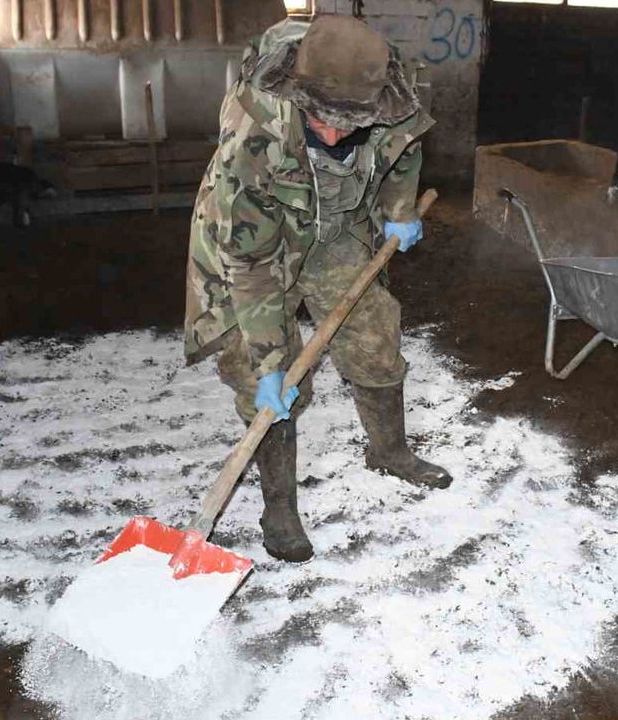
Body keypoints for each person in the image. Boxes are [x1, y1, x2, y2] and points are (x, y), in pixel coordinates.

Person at [183, 16, 452, 564]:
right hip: (257, 244)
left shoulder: (386, 89)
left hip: (335, 229)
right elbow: (252, 264)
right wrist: (269, 364)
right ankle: (278, 505)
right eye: (321, 121)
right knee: (267, 376)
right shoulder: (251, 138)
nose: (332, 136)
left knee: (375, 332)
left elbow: (404, 146)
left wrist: (399, 210)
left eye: (349, 124)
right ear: (298, 93)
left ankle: (390, 451)